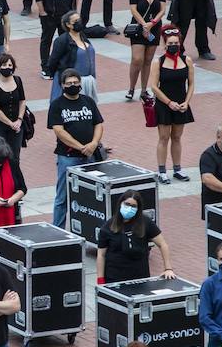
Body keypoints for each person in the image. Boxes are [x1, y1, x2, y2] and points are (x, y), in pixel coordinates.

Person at [48, 68, 105, 227]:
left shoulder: (88, 101)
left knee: (92, 196)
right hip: (68, 158)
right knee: (62, 198)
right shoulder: (57, 105)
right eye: (69, 83)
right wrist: (81, 147)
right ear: (62, 85)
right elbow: (59, 131)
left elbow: (98, 124)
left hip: (90, 156)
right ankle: (58, 230)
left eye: (75, 82)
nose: (73, 85)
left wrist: (93, 143)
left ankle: (90, 229)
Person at [97, 191, 176, 286]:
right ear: (120, 203)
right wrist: (100, 281)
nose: (130, 208)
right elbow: (101, 255)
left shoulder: (145, 222)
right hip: (114, 279)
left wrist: (168, 269)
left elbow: (162, 244)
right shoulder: (108, 227)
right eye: (127, 204)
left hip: (140, 277)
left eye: (134, 206)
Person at [148, 27, 195, 184]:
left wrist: (186, 102)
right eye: (170, 43)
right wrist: (169, 102)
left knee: (177, 137)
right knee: (163, 137)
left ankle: (177, 169)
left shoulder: (186, 60)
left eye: (176, 42)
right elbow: (154, 86)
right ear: (165, 44)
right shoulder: (158, 62)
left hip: (181, 104)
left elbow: (191, 84)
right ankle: (162, 170)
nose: (174, 45)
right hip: (164, 104)